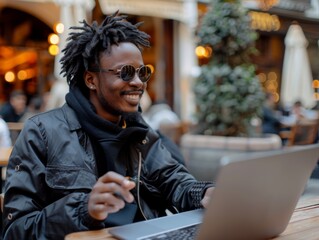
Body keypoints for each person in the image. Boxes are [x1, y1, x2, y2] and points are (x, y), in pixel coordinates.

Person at [2, 11, 214, 239]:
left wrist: (204, 193)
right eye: (125, 72)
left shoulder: (140, 133)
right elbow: (16, 230)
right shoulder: (42, 132)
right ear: (91, 79)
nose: (138, 83)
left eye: (143, 73)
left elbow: (174, 182)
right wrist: (84, 210)